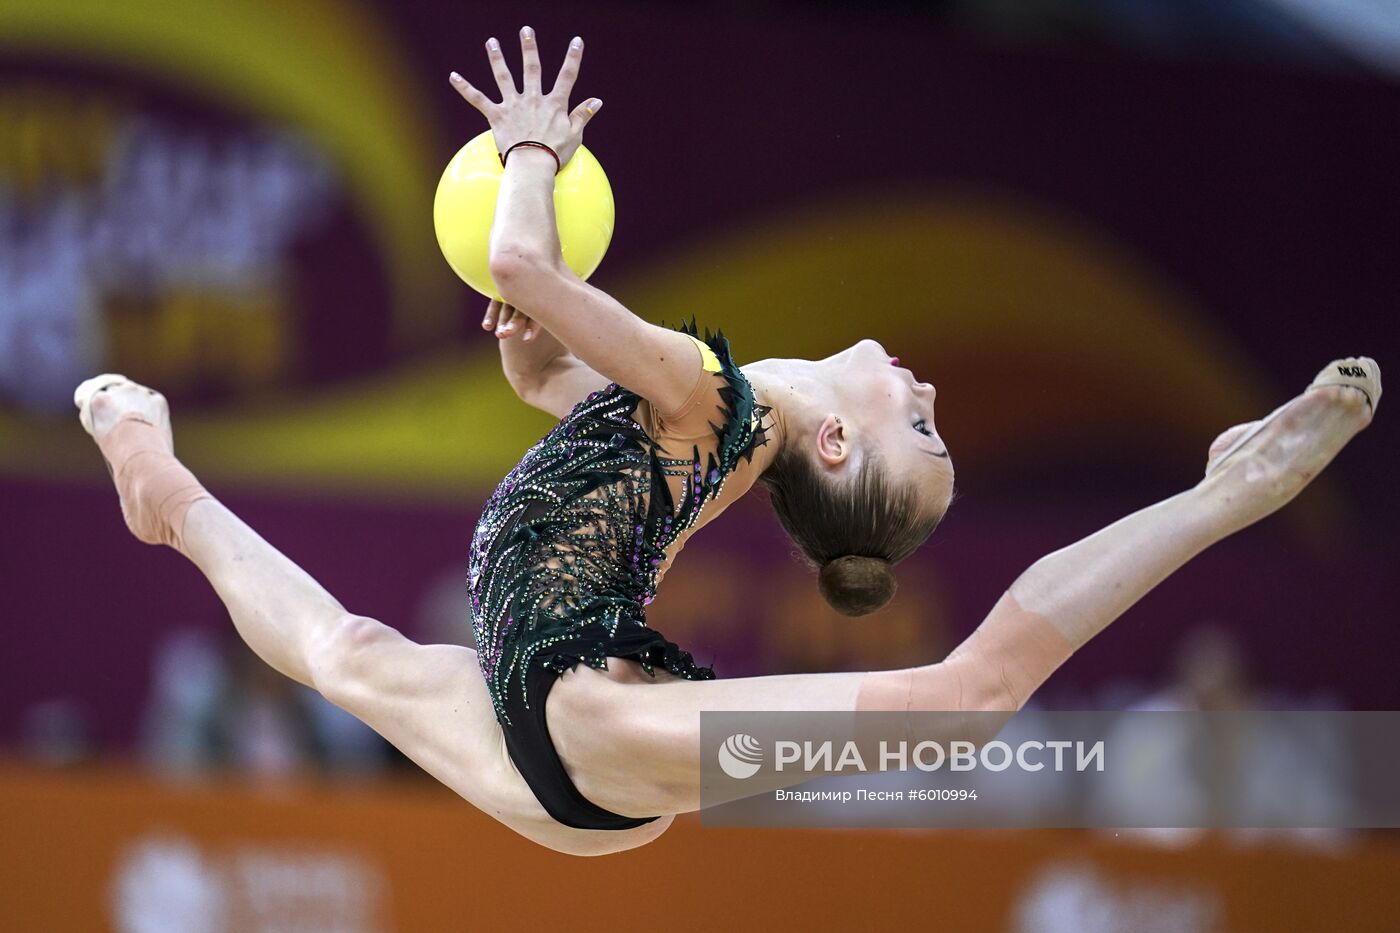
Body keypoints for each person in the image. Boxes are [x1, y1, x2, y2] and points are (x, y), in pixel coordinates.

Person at [74, 27, 1381, 856]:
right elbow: (555, 385)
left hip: (583, 722)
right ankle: (169, 489)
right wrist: (540, 352)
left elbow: (524, 256)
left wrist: (528, 147)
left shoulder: (724, 405)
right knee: (345, 647)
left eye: (916, 425)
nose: (924, 384)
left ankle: (1230, 491)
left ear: (830, 438)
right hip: (571, 729)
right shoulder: (722, 426)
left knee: (966, 696)